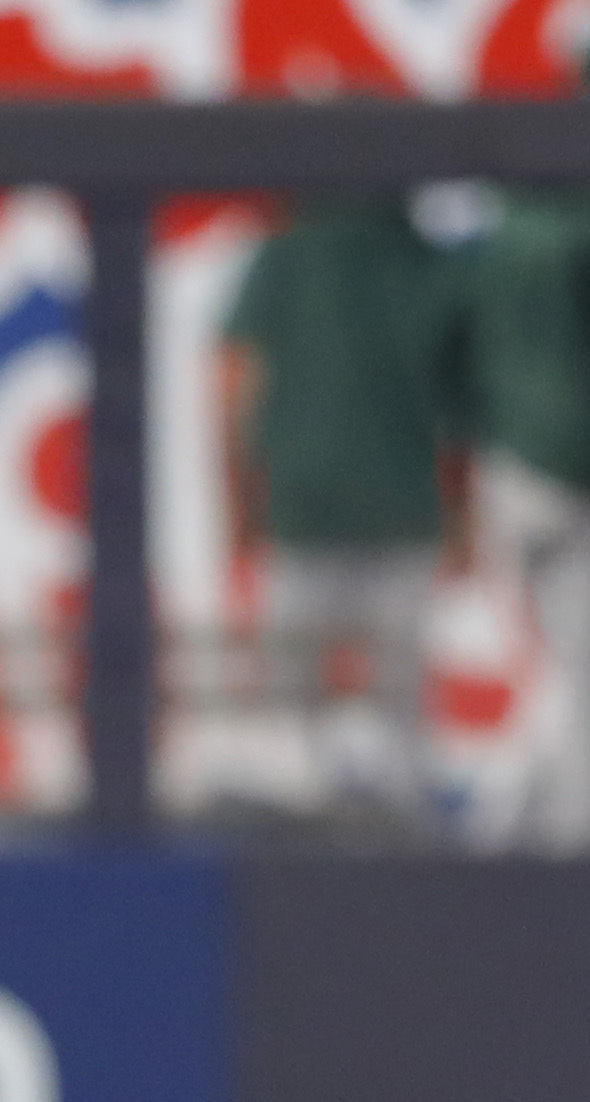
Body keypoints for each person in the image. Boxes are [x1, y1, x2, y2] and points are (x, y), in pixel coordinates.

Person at [458, 31, 590, 851]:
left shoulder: (516, 210)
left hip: (514, 467)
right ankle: (583, 852)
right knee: (587, 680)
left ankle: (501, 829)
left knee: (561, 670)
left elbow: (457, 339)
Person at [221, 192, 468, 831]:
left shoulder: (284, 254)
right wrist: (462, 515)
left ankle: (298, 825)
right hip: (402, 501)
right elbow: (460, 412)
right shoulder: (425, 260)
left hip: (306, 499)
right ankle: (406, 835)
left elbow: (235, 382)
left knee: (290, 691)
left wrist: (237, 497)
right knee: (400, 695)